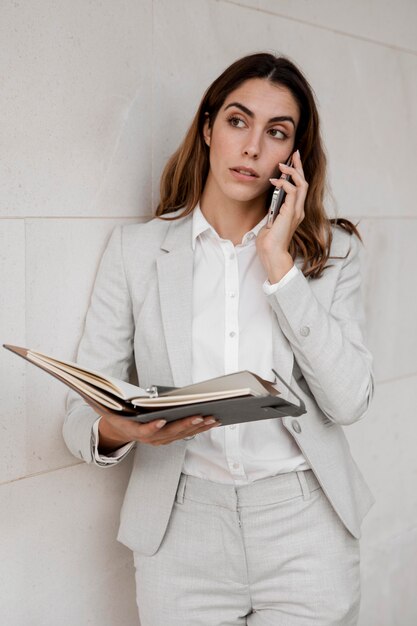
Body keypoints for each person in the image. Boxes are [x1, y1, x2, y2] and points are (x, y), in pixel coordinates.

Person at [64, 52, 374, 626]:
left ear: (295, 156)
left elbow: (350, 399)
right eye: (238, 121)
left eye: (276, 133)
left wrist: (280, 268)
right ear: (208, 128)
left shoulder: (333, 256)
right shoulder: (136, 254)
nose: (253, 147)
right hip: (182, 529)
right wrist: (120, 429)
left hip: (303, 523)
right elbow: (78, 416)